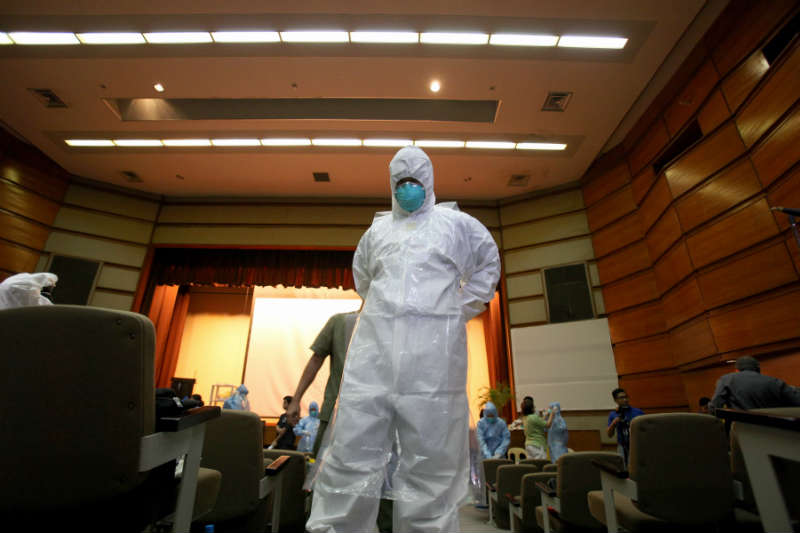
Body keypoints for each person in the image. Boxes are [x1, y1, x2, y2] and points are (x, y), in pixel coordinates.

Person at [306, 146, 501, 533]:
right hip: (373, 362)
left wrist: (455, 309)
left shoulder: (456, 225)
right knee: (350, 453)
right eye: (400, 183)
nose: (408, 189)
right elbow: (364, 280)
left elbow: (487, 264)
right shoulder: (376, 232)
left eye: (415, 182)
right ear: (390, 184)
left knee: (430, 460)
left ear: (429, 182)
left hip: (433, 366)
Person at [286, 311, 359, 457]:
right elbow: (316, 360)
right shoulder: (339, 322)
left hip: (372, 416)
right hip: (334, 411)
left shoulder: (388, 326)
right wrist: (296, 399)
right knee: (322, 463)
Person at [709, 356, 800, 412]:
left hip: (742, 432)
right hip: (775, 432)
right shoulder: (774, 381)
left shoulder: (727, 379)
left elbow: (715, 407)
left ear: (736, 370)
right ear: (758, 370)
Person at [607, 388, 644, 466]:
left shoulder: (638, 412)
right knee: (623, 467)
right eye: (621, 398)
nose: (625, 399)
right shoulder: (613, 414)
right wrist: (613, 423)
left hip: (637, 445)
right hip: (622, 446)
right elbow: (609, 435)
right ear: (615, 400)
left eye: (626, 397)